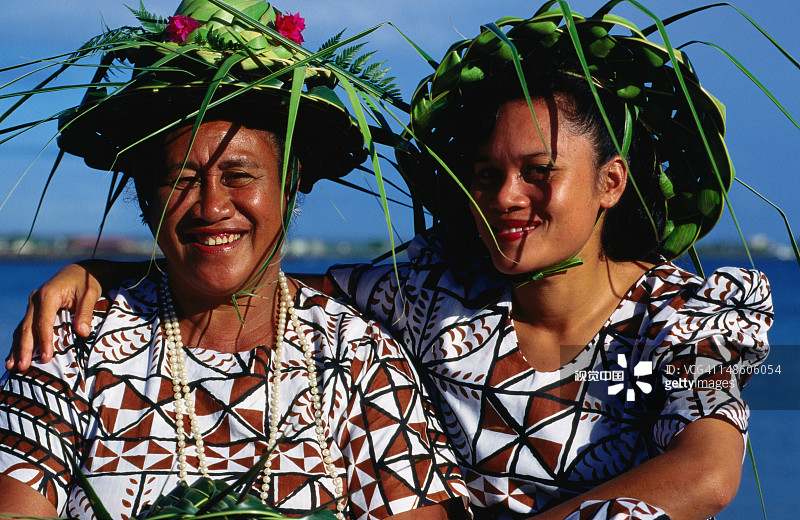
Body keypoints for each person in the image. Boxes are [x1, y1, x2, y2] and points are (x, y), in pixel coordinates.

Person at [7, 4, 774, 520]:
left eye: (539, 173)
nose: (507, 197)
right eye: (487, 174)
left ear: (611, 182)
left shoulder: (692, 320)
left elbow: (706, 474)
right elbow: (257, 283)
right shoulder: (433, 291)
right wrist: (110, 278)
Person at [0, 2, 467, 519]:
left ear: (290, 183)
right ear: (146, 196)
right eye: (181, 179)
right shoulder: (73, 344)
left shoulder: (358, 360)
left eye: (240, 176)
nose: (212, 207)